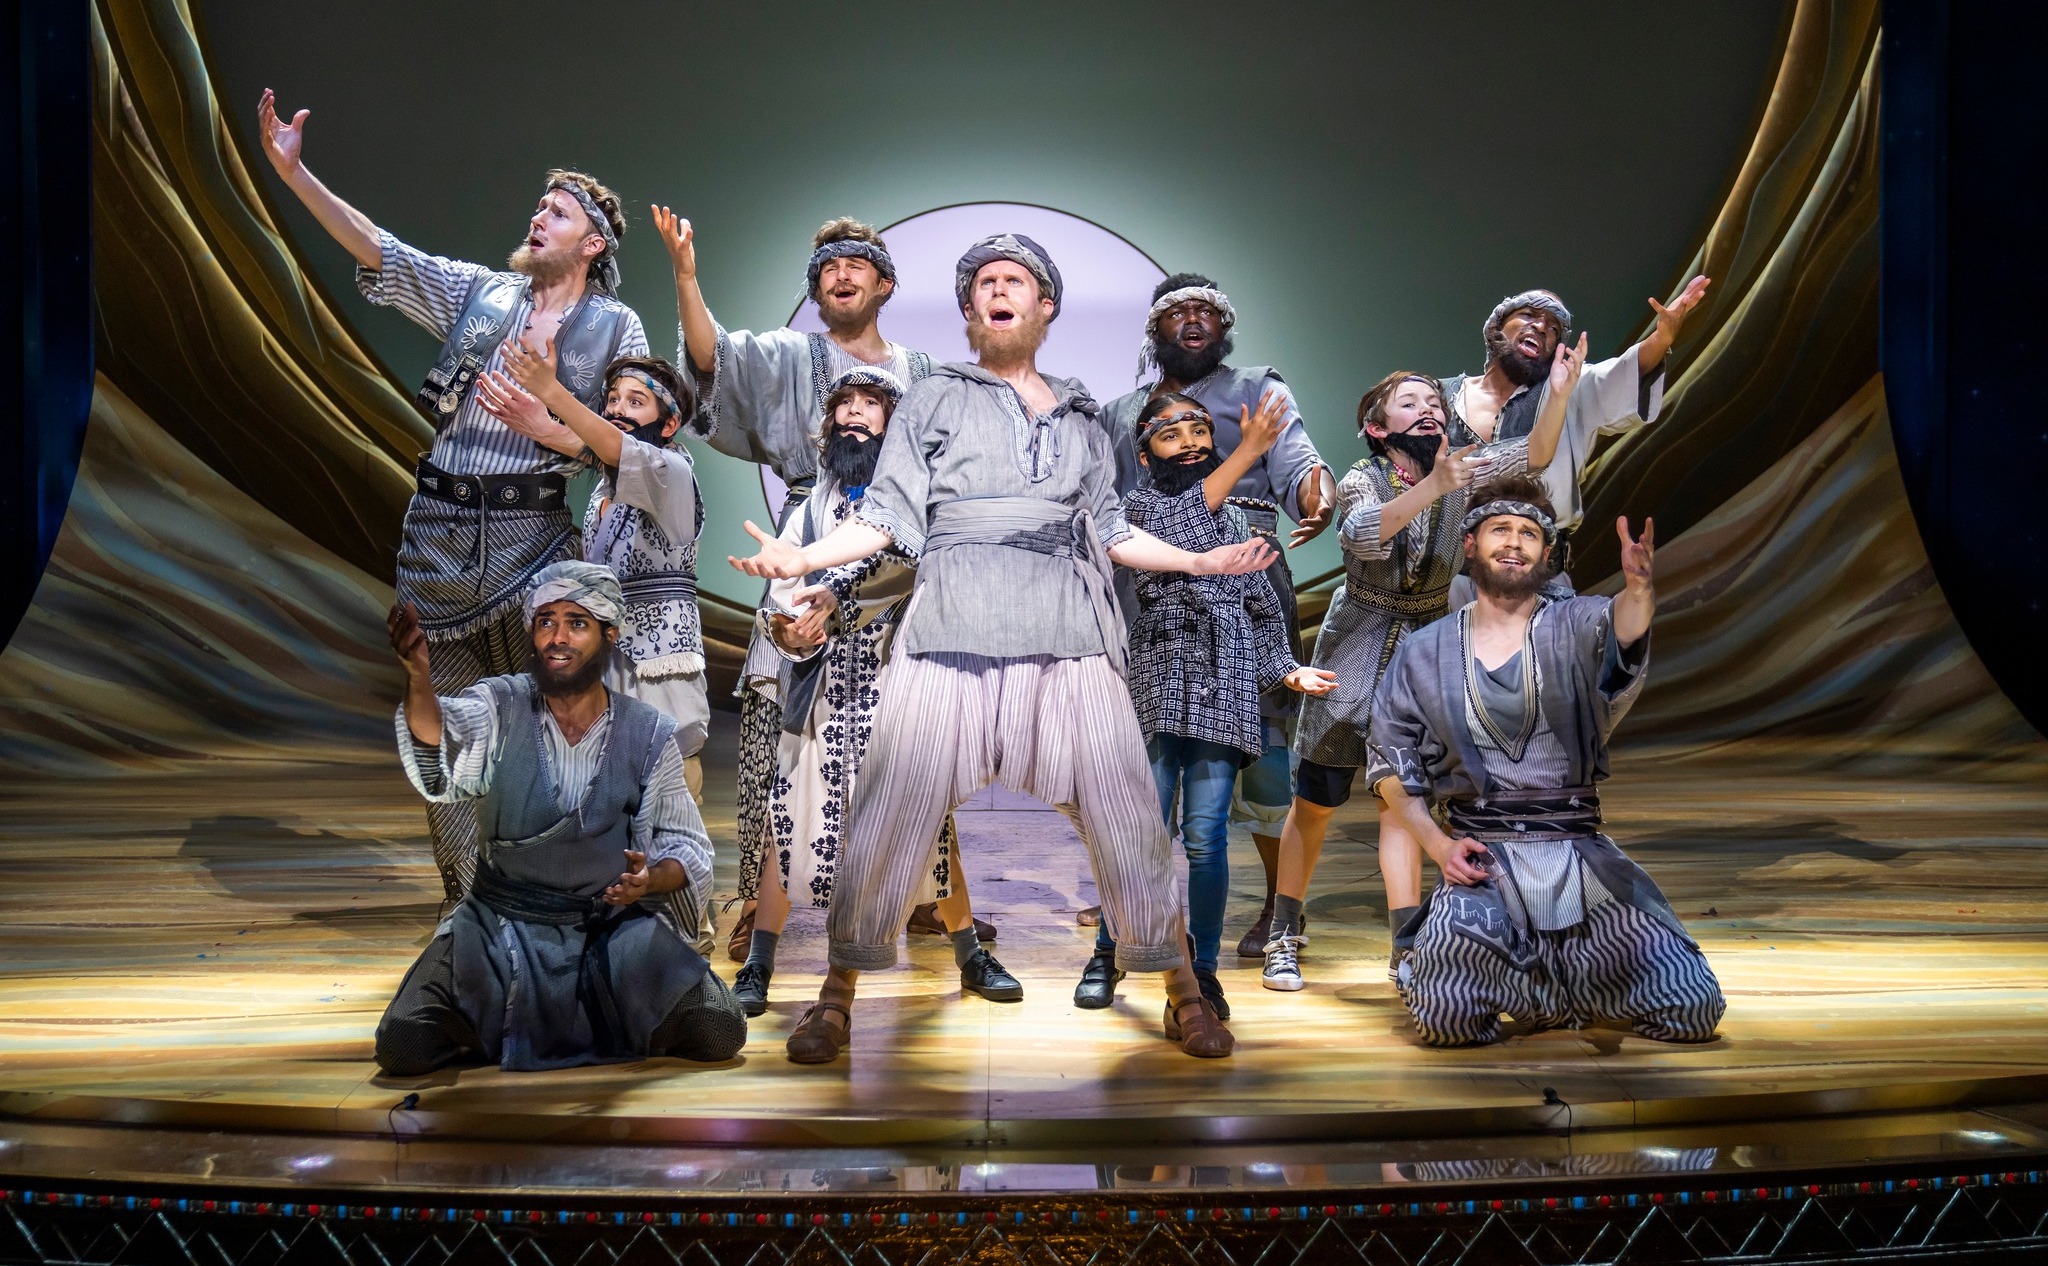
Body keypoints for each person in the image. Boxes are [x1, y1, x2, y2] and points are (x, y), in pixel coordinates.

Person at [731, 234, 1276, 1062]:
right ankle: (835, 996)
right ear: (969, 309)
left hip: (1066, 633)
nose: (997, 289)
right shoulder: (931, 400)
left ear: (1044, 305)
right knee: (888, 810)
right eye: (983, 281)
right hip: (950, 626)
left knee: (1128, 814)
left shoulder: (1083, 417)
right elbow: (888, 516)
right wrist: (803, 559)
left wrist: (1198, 561)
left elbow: (1112, 529)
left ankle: (1181, 991)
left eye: (1014, 279)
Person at [256, 90, 649, 900]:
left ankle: (561, 889)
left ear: (593, 242)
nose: (537, 216)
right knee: (442, 719)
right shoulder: (482, 294)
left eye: (557, 211)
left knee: (555, 721)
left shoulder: (618, 329)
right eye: (538, 206)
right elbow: (383, 252)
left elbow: (630, 447)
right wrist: (295, 175)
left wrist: (548, 426)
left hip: (532, 542)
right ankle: (465, 902)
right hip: (437, 536)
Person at [651, 208, 962, 956]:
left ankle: (926, 897)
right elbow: (713, 361)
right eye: (827, 270)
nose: (841, 276)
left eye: (856, 266)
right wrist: (687, 277)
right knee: (777, 736)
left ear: (885, 284)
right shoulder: (791, 355)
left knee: (913, 742)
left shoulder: (923, 374)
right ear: (816, 289)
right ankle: (757, 904)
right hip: (812, 535)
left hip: (900, 565)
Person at [1262, 353, 1581, 993]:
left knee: (1404, 804)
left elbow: (1537, 453)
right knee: (1316, 802)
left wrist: (1559, 394)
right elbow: (1360, 534)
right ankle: (1283, 933)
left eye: (1435, 402)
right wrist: (1435, 485)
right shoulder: (1364, 478)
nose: (1428, 409)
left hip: (1423, 651)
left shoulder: (1462, 467)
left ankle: (1406, 946)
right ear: (1378, 428)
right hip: (1356, 645)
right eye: (1409, 403)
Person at [1367, 477, 1725, 1046]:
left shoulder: (1574, 624)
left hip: (1580, 858)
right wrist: (1438, 846)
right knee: (1446, 1019)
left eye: (1528, 534)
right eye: (1500, 530)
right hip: (1484, 859)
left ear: (1546, 552)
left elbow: (1622, 626)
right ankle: (1492, 976)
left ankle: (1558, 989)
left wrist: (1639, 589)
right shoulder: (1424, 650)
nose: (1514, 543)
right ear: (1470, 544)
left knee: (1691, 1006)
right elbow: (1390, 763)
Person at [374, 562, 744, 1074]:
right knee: (404, 1043)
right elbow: (445, 736)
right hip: (499, 926)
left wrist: (650, 879)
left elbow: (686, 845)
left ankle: (551, 1021)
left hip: (607, 929)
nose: (558, 638)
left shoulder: (647, 732)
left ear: (609, 635)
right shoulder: (501, 705)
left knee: (718, 1028)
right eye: (546, 621)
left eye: (577, 623)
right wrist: (418, 677)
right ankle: (519, 1019)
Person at [741, 367, 1020, 1015]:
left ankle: (970, 955)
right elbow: (780, 603)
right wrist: (790, 631)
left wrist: (834, 603)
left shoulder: (920, 502)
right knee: (790, 821)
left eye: (871, 404)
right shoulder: (811, 509)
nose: (855, 414)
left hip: (900, 688)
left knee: (930, 826)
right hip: (821, 692)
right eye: (845, 404)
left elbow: (914, 572)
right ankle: (759, 962)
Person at [1075, 392, 1336, 1018]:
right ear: (1145, 454)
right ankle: (1109, 952)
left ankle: (1206, 969)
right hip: (1161, 677)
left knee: (1206, 837)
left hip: (1225, 683)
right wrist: (1250, 451)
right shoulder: (1137, 509)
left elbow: (1262, 609)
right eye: (1172, 435)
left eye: (1199, 431)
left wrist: (1286, 669)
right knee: (1141, 833)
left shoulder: (1239, 523)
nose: (1190, 442)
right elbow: (1185, 520)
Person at [1099, 276, 1335, 954]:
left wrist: (1316, 495)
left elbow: (1300, 459)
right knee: (1142, 747)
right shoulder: (1123, 413)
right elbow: (1111, 502)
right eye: (1179, 312)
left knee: (1261, 742)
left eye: (1207, 311)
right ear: (1155, 328)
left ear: (1224, 326)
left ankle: (1280, 905)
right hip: (1148, 584)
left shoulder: (1257, 387)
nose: (1194, 321)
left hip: (1245, 565)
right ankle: (1131, 899)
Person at [479, 348, 713, 952]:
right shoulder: (605, 494)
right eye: (612, 401)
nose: (618, 411)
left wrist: (553, 393)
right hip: (611, 663)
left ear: (669, 423)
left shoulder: (671, 470)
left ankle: (689, 929)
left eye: (636, 402)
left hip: (658, 662)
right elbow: (596, 448)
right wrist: (542, 423)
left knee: (671, 792)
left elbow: (611, 447)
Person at [1441, 278, 1709, 591]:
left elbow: (1624, 372)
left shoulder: (1569, 389)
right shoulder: (1440, 397)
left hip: (1537, 578)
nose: (1541, 326)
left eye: (1553, 327)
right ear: (1498, 324)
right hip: (1446, 579)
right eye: (1528, 315)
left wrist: (1662, 337)